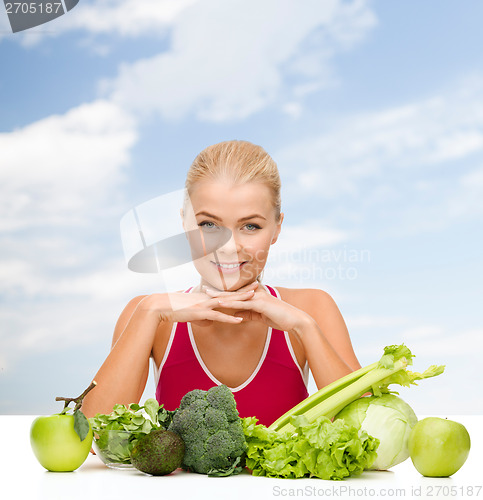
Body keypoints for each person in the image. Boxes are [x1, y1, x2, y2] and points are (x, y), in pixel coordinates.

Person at [82, 140, 361, 426]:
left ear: (277, 228)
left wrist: (305, 328)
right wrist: (149, 311)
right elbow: (93, 433)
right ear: (184, 223)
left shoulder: (312, 308)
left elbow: (367, 429)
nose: (228, 248)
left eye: (250, 226)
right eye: (208, 225)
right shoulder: (147, 314)